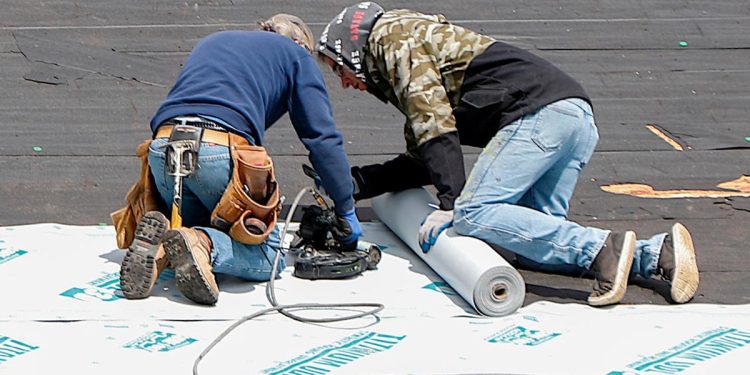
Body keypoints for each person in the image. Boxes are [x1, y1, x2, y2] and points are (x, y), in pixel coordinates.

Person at [317, 3, 699, 306]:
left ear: (351, 50)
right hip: (572, 117)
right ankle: (656, 255)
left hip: (539, 115)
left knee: (474, 213)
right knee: (531, 243)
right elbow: (424, 157)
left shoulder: (392, 39)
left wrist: (453, 205)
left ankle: (603, 248)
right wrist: (357, 182)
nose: (346, 84)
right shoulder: (415, 47)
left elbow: (434, 128)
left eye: (339, 70)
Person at [118, 14, 362, 305]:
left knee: (195, 227)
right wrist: (345, 207)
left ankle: (159, 250)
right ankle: (205, 245)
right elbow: (321, 137)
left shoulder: (215, 41)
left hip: (163, 148)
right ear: (298, 42)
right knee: (268, 253)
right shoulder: (296, 55)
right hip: (217, 147)